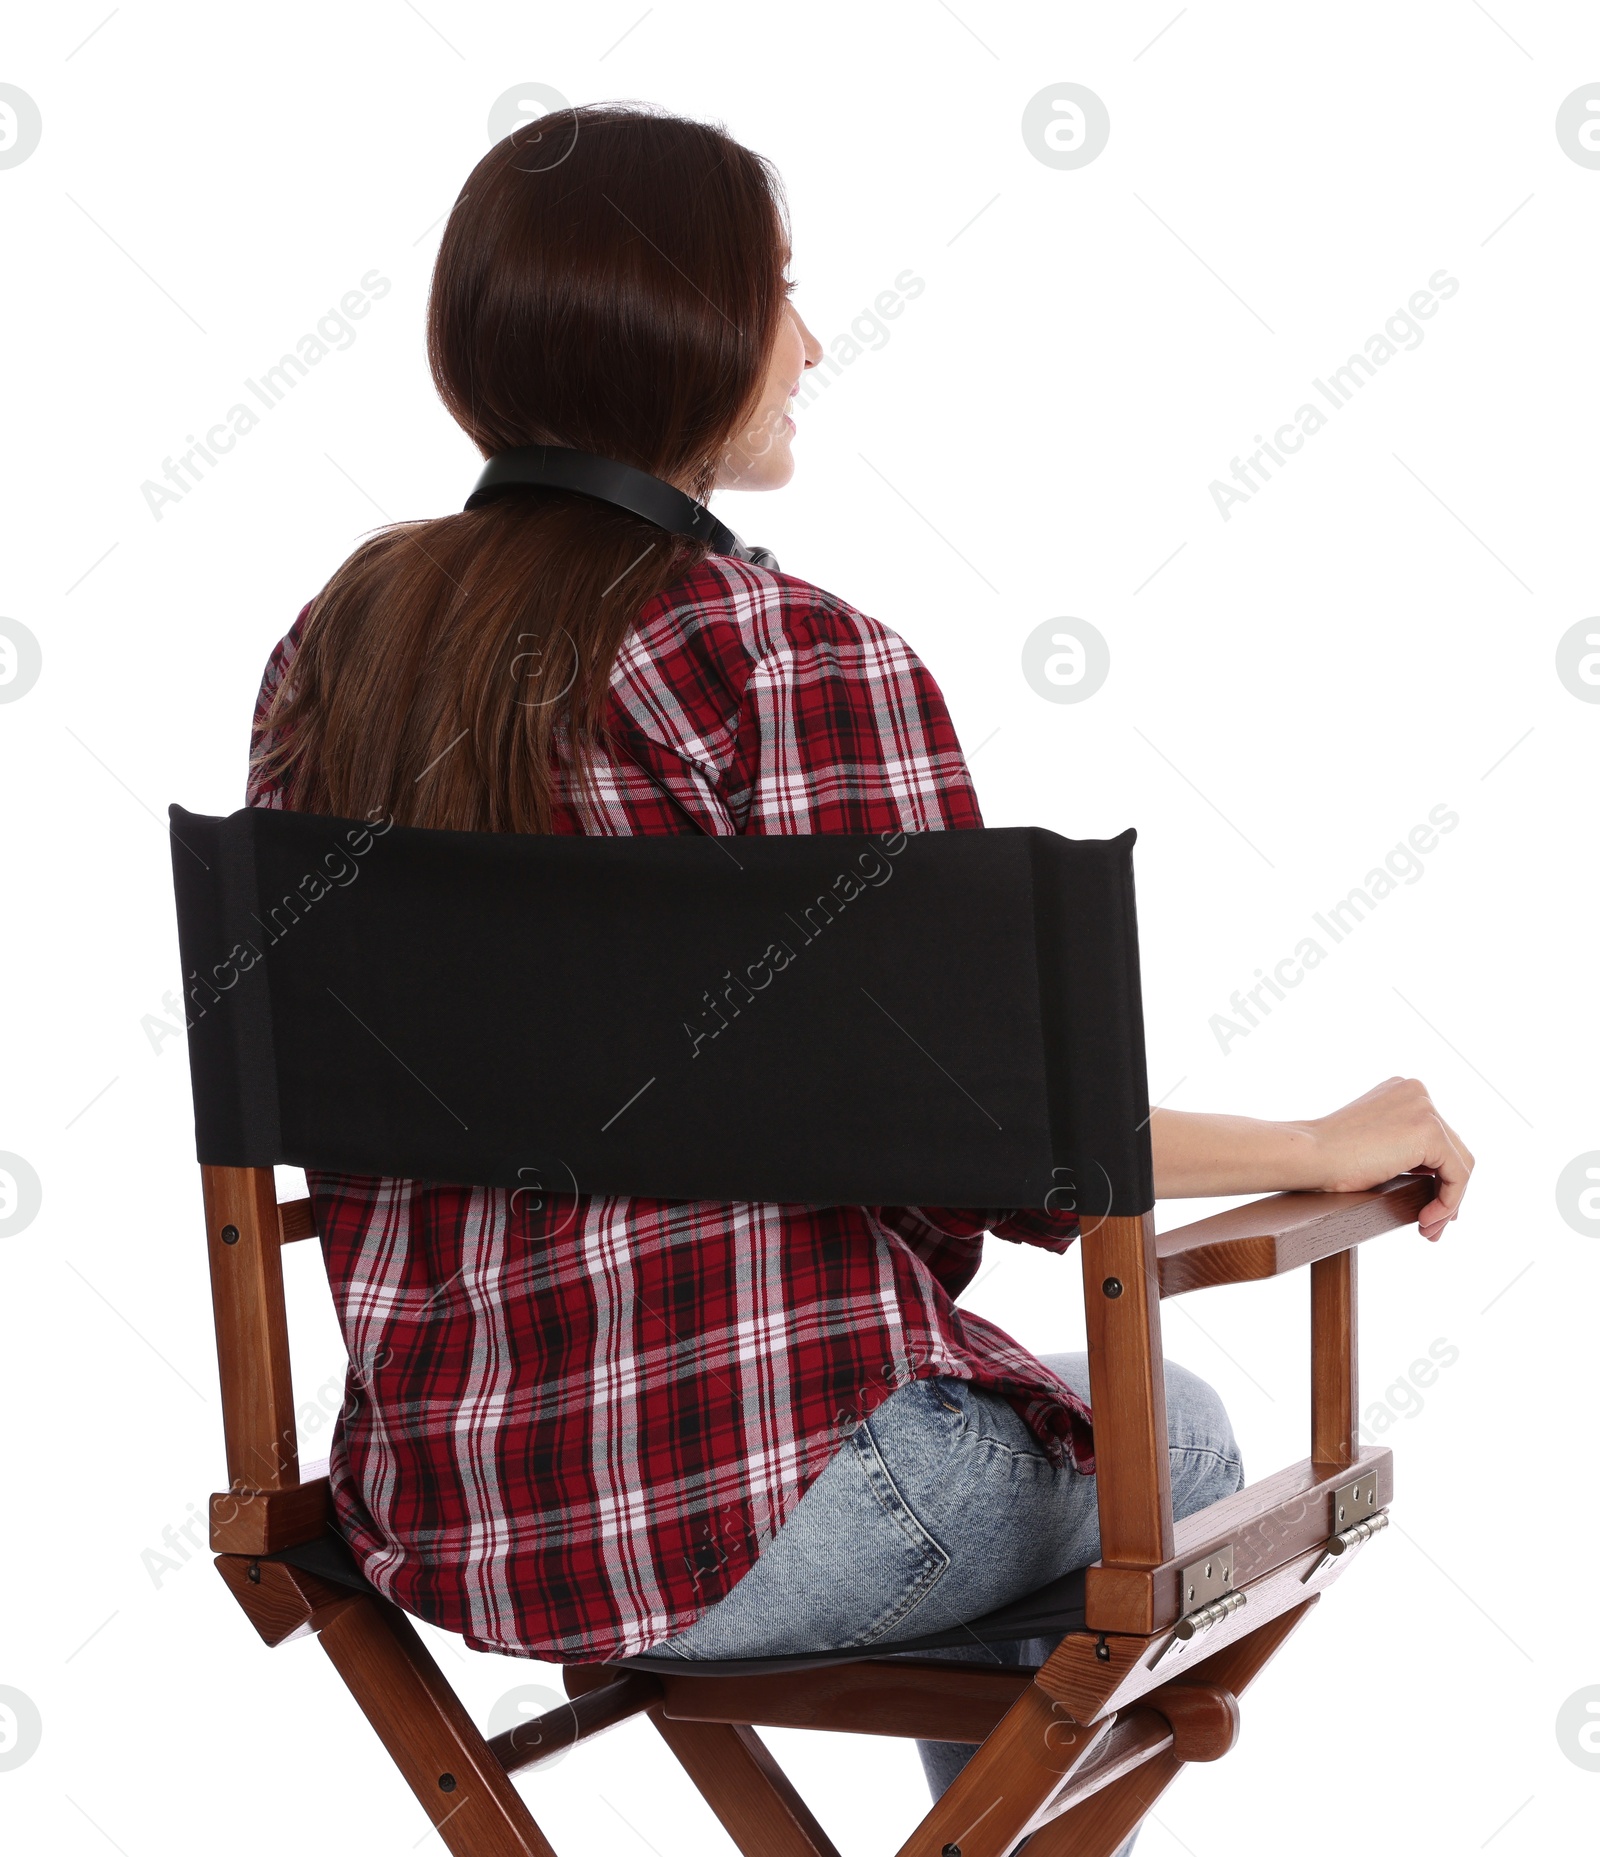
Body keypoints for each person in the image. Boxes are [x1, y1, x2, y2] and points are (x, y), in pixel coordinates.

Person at [245, 104, 1473, 1829]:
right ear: (677, 326)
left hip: (444, 1518)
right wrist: (1311, 1145)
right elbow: (999, 1130)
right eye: (782, 294)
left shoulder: (334, 652)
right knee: (1175, 1436)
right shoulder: (782, 652)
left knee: (1015, 1420)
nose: (811, 343)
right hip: (775, 1522)